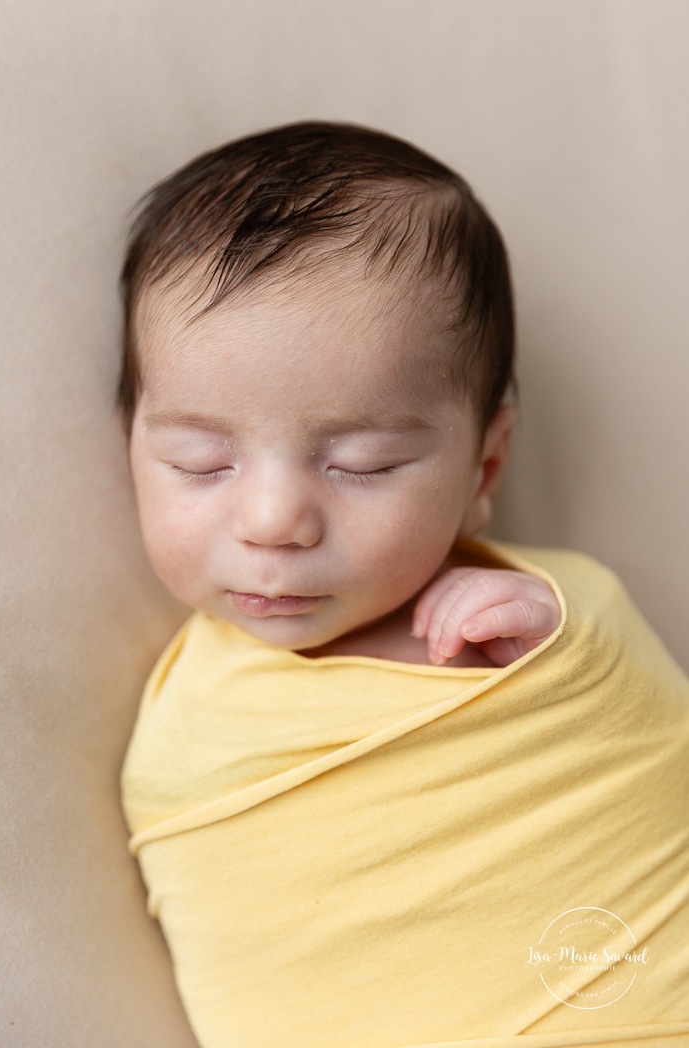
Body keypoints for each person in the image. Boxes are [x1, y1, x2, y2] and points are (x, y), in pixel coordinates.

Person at [120, 122, 689, 1048]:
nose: (271, 521)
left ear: (485, 466)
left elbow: (636, 751)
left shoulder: (547, 609)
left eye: (363, 463)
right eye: (199, 460)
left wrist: (550, 652)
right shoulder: (192, 720)